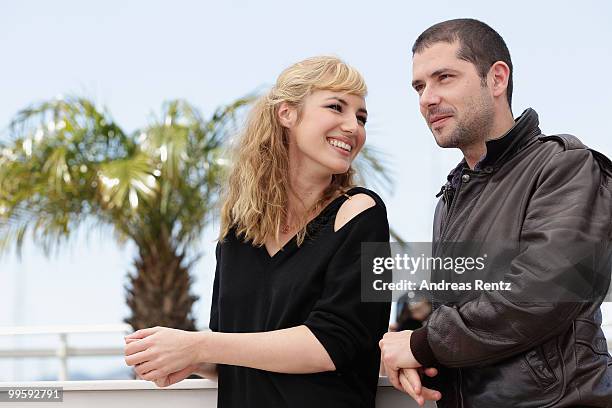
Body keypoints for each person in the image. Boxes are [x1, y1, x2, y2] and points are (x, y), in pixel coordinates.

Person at [124, 56, 391, 408]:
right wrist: (189, 360)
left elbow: (336, 344)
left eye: (360, 117)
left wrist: (199, 345)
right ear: (287, 114)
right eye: (336, 107)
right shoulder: (238, 232)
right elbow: (235, 349)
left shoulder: (366, 213)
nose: (352, 127)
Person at [379, 19, 612, 407]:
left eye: (444, 77)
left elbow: (543, 293)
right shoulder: (450, 198)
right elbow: (463, 308)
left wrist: (422, 345)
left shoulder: (565, 166)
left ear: (497, 79)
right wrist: (409, 347)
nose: (426, 98)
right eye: (419, 87)